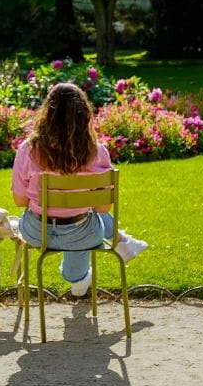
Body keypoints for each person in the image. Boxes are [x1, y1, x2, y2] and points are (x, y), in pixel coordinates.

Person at [12, 82, 148, 297]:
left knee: (81, 229)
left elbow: (19, 202)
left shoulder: (28, 149)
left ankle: (118, 245)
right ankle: (120, 242)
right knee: (91, 219)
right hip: (81, 233)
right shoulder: (97, 151)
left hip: (36, 232)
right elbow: (103, 207)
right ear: (84, 114)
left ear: (47, 113)